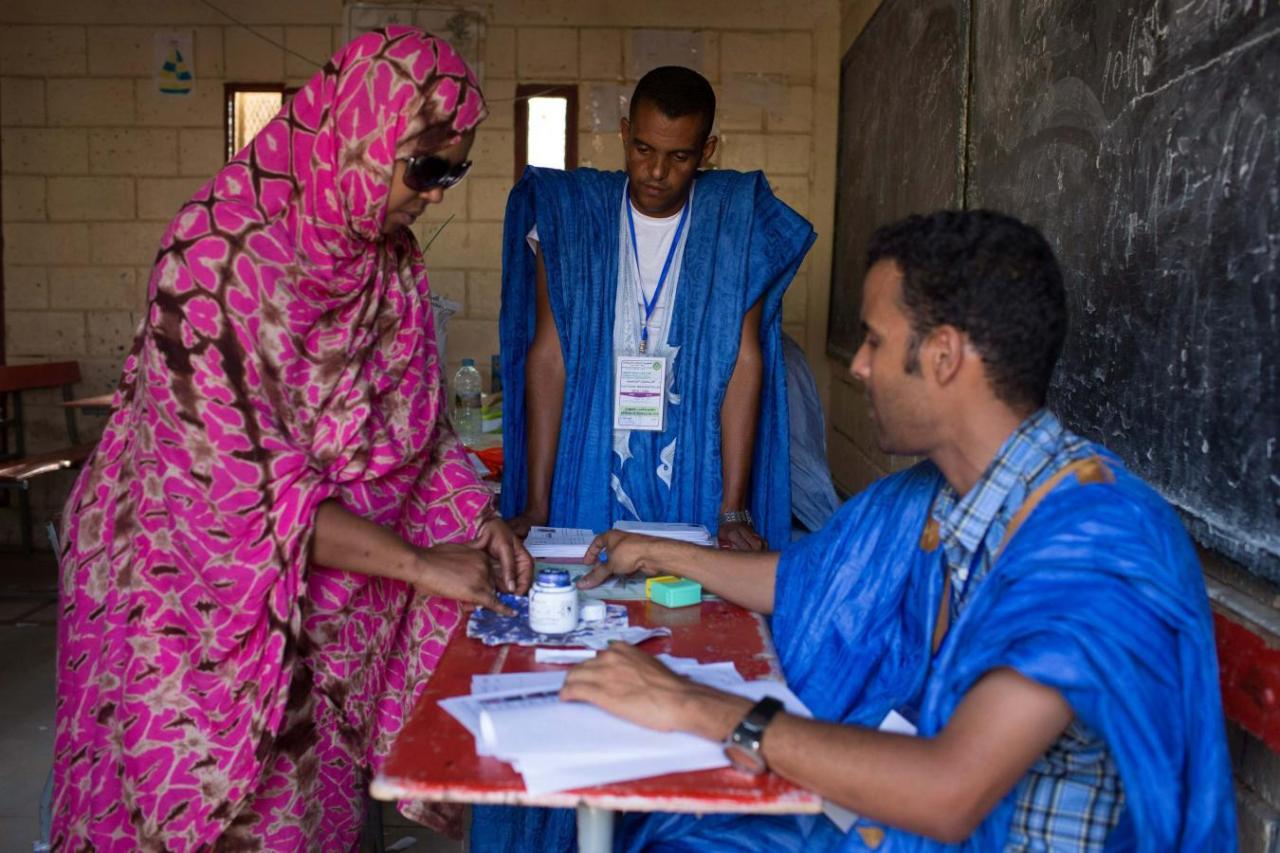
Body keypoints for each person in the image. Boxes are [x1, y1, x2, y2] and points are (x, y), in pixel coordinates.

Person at [565, 210, 1237, 851]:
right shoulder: (946, 494)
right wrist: (655, 549)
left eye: (876, 341)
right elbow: (809, 580)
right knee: (669, 830)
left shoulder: (1095, 546)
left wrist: (696, 705)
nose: (857, 365)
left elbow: (950, 791)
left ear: (943, 355)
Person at [51, 27, 531, 850]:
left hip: (336, 593)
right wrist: (422, 563)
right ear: (359, 137)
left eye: (455, 169)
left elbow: (415, 422)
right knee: (207, 815)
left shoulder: (390, 263)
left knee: (317, 811)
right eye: (424, 166)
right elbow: (237, 495)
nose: (439, 193)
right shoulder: (214, 262)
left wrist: (475, 516)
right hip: (192, 598)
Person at [499, 66, 816, 552]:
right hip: (588, 449)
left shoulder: (734, 219)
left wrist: (732, 508)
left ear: (706, 152)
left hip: (692, 457)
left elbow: (742, 361)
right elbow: (550, 354)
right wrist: (537, 505)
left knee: (688, 597)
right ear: (625, 133)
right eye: (643, 149)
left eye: (679, 156)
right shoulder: (571, 213)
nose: (656, 171)